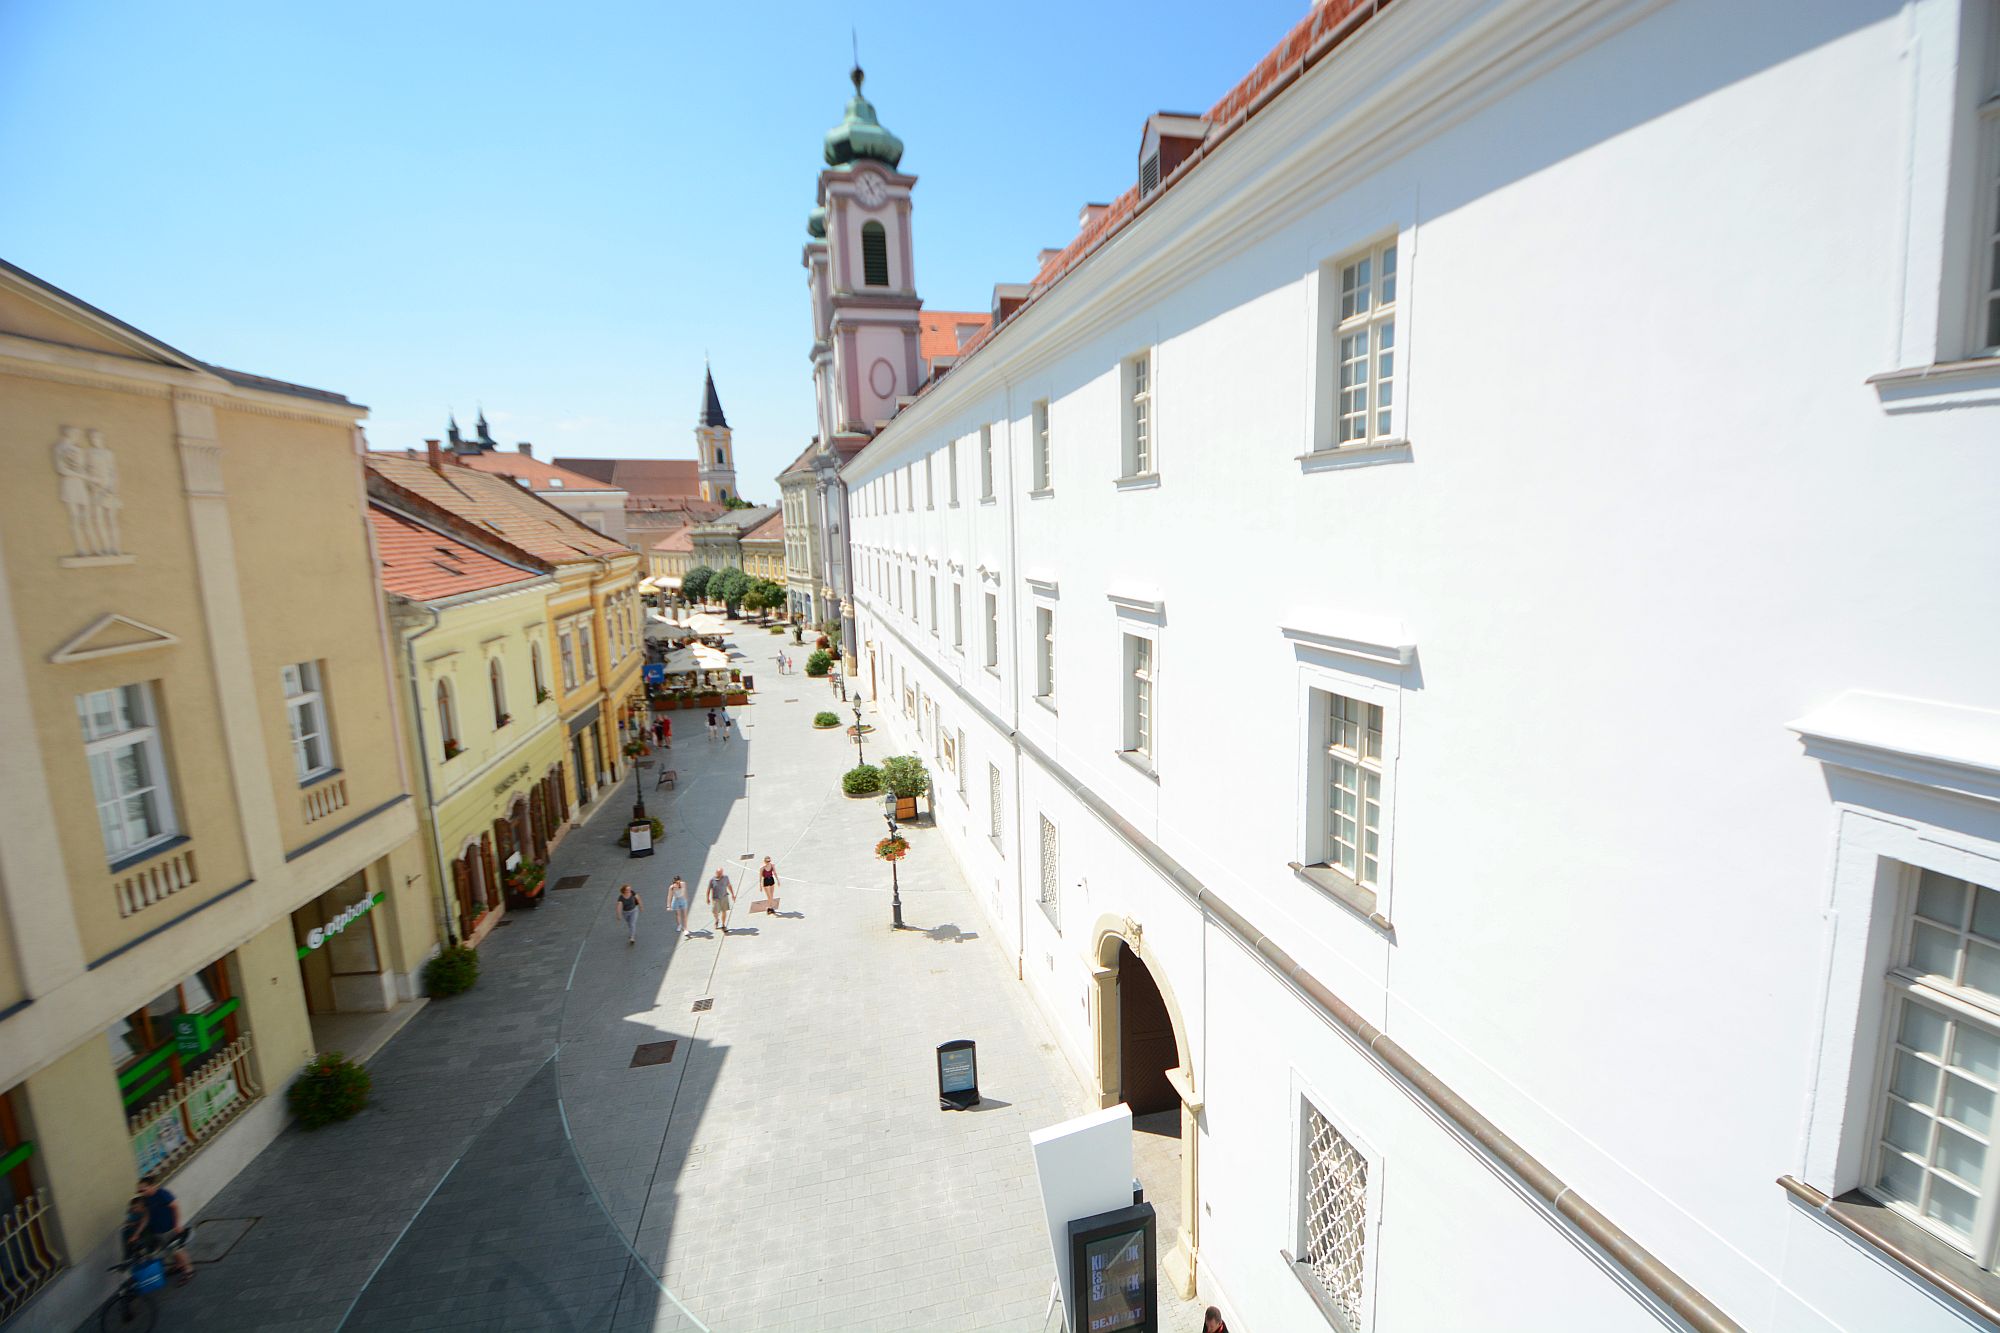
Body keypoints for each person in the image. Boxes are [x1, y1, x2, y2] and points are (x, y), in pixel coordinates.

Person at [136, 1174, 193, 1283]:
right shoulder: (146, 1199)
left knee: (177, 1250)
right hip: (159, 1231)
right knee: (170, 1251)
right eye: (139, 1191)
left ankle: (188, 1270)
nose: (141, 1193)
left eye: (143, 1190)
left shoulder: (162, 1194)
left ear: (152, 1186)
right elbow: (146, 1216)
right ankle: (178, 1265)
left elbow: (175, 1207)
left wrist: (177, 1225)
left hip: (170, 1228)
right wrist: (137, 1233)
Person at [707, 866, 735, 934]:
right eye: (719, 873)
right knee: (715, 912)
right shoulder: (712, 880)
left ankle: (723, 925)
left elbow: (729, 885)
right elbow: (709, 889)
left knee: (724, 911)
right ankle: (717, 920)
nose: (720, 875)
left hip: (724, 897)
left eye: (721, 873)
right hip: (716, 898)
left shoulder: (725, 878)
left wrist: (733, 894)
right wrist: (707, 898)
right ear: (716, 873)